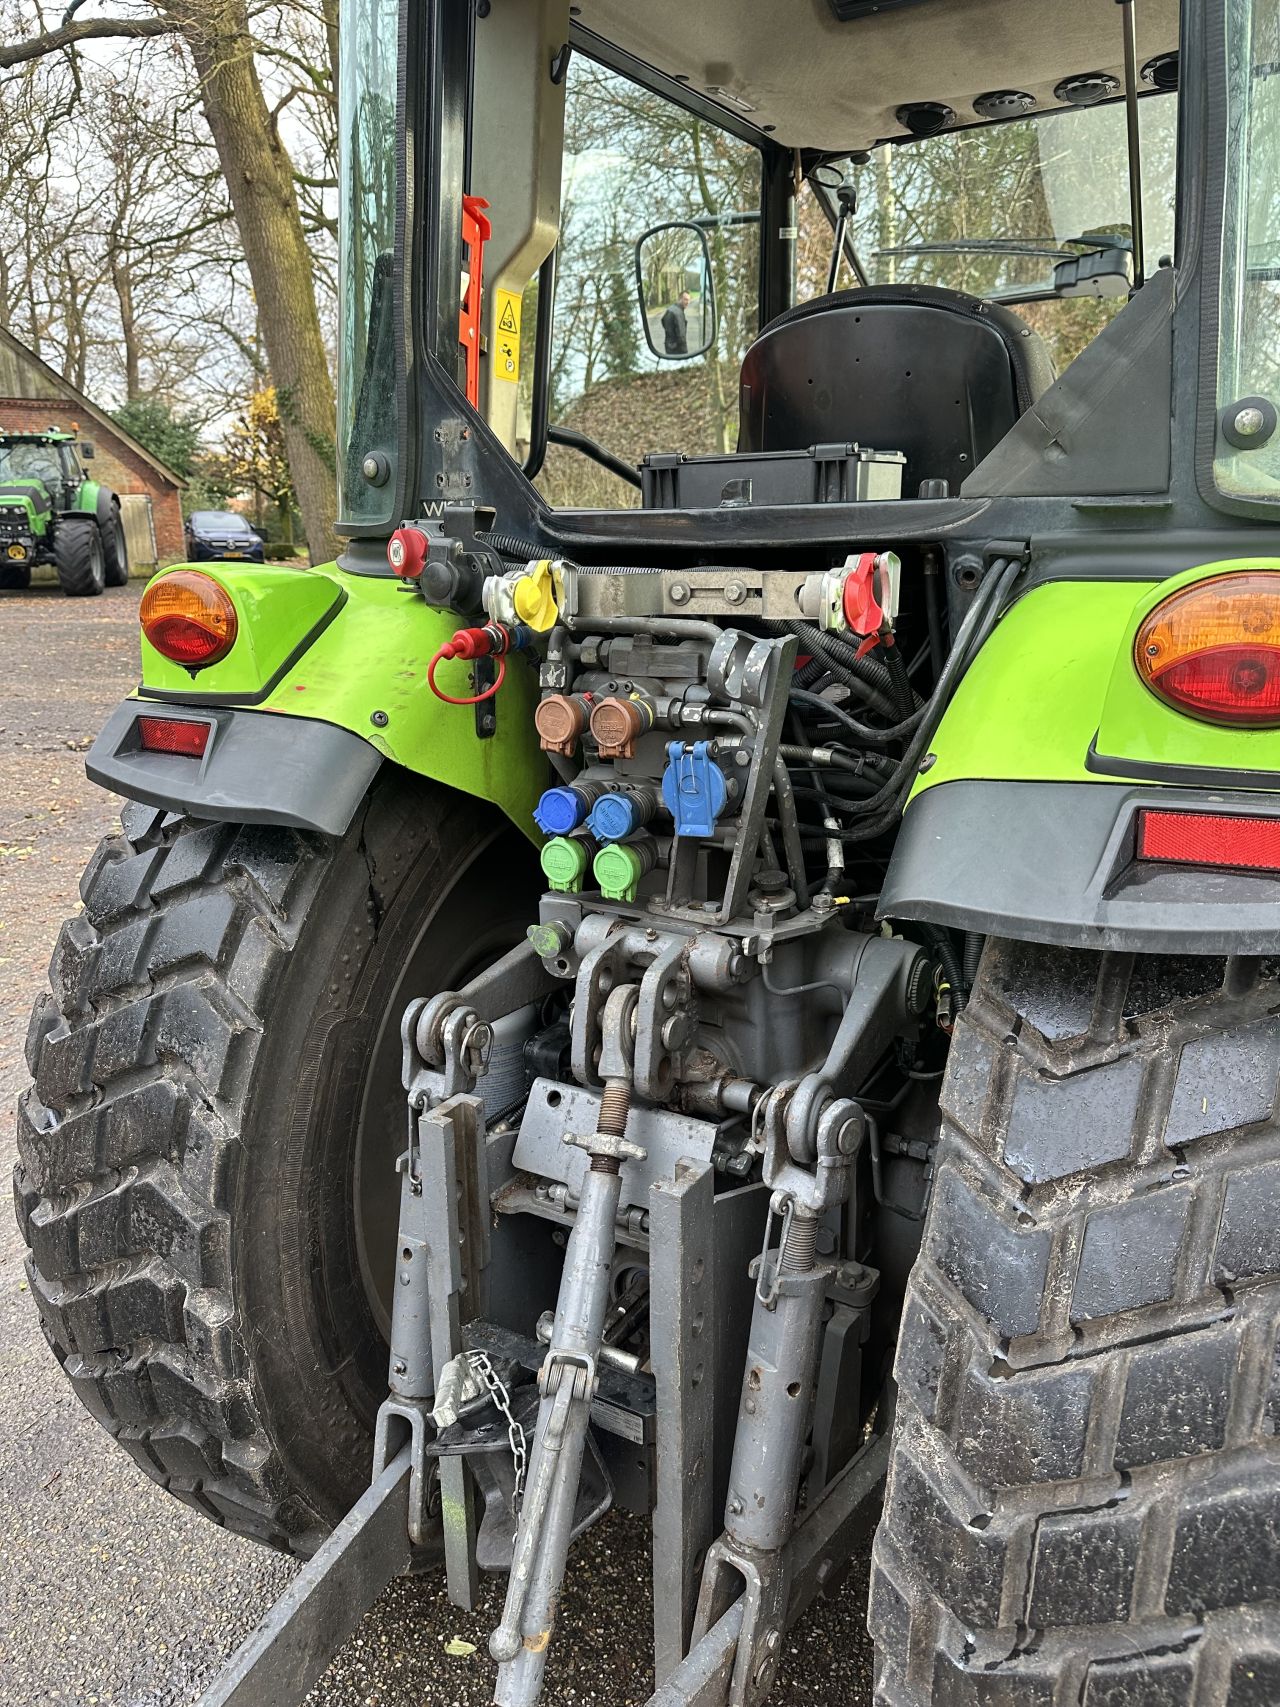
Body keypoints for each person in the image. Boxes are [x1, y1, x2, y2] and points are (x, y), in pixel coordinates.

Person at [661, 290, 690, 356]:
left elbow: (663, 321)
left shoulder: (670, 309)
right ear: (680, 299)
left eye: (688, 300)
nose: (687, 302)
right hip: (677, 350)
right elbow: (681, 336)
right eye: (685, 300)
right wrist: (685, 353)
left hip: (668, 347)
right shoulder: (678, 313)